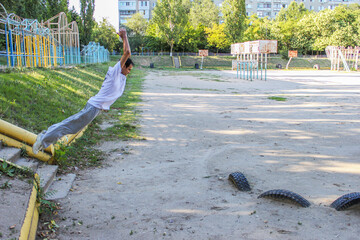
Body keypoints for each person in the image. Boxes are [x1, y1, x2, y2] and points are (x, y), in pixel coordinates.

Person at [32, 28, 133, 154]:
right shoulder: (115, 72)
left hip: (95, 107)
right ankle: (43, 140)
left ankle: (46, 134)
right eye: (128, 69)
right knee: (71, 126)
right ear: (122, 66)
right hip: (94, 107)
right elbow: (127, 52)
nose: (129, 72)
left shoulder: (120, 77)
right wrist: (124, 37)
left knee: (71, 123)